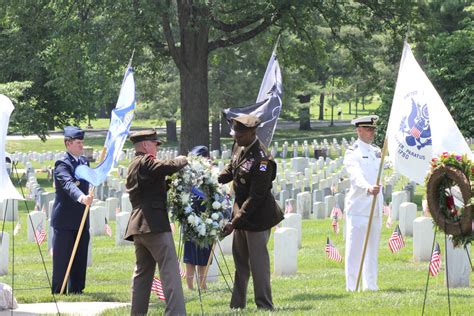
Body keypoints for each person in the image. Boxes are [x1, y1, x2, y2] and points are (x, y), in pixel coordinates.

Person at [218, 114, 284, 310]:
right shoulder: (239, 146)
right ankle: (237, 305)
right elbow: (233, 168)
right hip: (241, 215)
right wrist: (215, 177)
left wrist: (235, 221)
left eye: (240, 134)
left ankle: (264, 305)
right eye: (235, 132)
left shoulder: (262, 160)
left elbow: (257, 196)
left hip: (258, 218)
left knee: (258, 264)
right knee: (240, 263)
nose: (235, 137)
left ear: (252, 133)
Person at [124, 129, 187, 316]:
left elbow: (151, 187)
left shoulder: (134, 165)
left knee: (142, 275)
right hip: (154, 225)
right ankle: (175, 313)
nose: (156, 148)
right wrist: (184, 159)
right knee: (170, 271)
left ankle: (137, 313)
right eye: (154, 144)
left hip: (139, 226)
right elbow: (165, 167)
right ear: (145, 145)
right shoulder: (145, 161)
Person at [51, 126, 93, 294]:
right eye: (78, 143)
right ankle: (59, 290)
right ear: (68, 143)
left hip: (82, 217)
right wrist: (82, 197)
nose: (81, 146)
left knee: (80, 255)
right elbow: (68, 184)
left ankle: (77, 289)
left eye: (82, 142)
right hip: (65, 219)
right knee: (62, 257)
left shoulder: (84, 162)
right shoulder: (62, 163)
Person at [343, 115, 384, 292]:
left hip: (375, 208)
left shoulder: (376, 151)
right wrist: (367, 187)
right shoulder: (353, 152)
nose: (371, 133)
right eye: (368, 129)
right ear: (358, 130)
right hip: (359, 207)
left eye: (373, 129)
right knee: (355, 250)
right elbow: (355, 175)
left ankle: (371, 285)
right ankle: (353, 286)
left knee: (372, 249)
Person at [182, 145, 212, 290]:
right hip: (191, 217)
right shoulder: (189, 177)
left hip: (207, 219)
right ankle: (190, 285)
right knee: (190, 254)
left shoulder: (210, 176)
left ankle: (202, 284)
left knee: (204, 253)